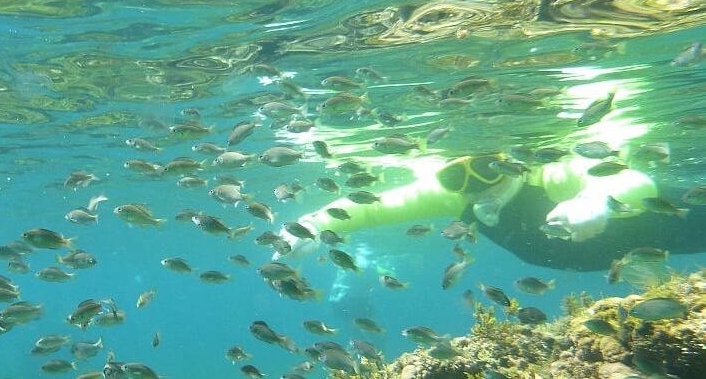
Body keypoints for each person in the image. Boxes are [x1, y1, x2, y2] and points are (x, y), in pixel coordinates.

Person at [284, 153, 703, 271]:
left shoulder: (548, 173)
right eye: (456, 177)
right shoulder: (450, 196)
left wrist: (595, 201)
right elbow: (372, 209)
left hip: (679, 222)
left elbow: (634, 181)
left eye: (485, 169)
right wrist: (312, 225)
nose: (473, 185)